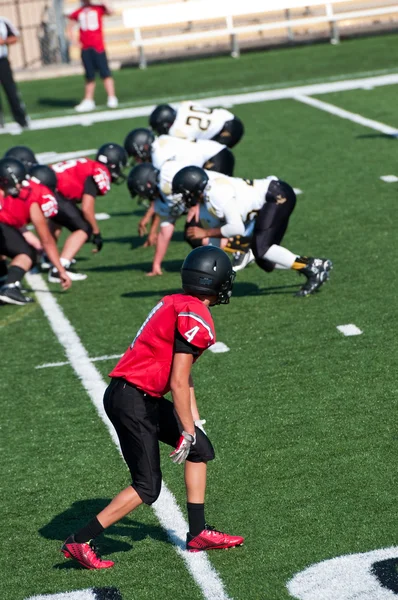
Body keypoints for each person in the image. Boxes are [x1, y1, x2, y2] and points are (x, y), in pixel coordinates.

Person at [61, 246, 243, 569]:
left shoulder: (177, 302)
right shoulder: (196, 314)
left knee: (200, 449)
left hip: (135, 395)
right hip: (134, 399)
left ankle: (198, 532)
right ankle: (80, 540)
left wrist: (194, 424)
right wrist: (185, 429)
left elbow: (184, 380)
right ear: (214, 281)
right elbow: (177, 380)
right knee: (148, 486)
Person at [172, 166, 333, 297]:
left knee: (263, 250)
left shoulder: (215, 194)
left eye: (184, 194)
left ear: (193, 189)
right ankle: (313, 266)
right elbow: (215, 245)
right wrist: (209, 277)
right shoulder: (206, 203)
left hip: (276, 195)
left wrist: (205, 233)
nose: (183, 199)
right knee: (263, 259)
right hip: (269, 201)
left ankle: (313, 266)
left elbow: (236, 228)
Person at [128, 161, 223, 276]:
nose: (143, 197)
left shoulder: (167, 175)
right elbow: (164, 232)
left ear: (148, 184)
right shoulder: (160, 203)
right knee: (192, 235)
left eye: (141, 192)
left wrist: (196, 204)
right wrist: (156, 265)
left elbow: (195, 176)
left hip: (215, 195)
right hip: (203, 205)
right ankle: (225, 251)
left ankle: (237, 243)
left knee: (209, 229)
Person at [49, 143, 127, 282]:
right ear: (114, 163)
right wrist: (96, 232)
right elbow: (87, 208)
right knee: (84, 228)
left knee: (57, 218)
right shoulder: (97, 171)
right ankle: (59, 268)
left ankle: (47, 257)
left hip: (50, 186)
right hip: (52, 191)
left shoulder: (88, 165)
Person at [0, 158, 71, 305]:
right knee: (26, 253)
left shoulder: (17, 195)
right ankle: (10, 287)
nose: (20, 186)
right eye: (18, 182)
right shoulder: (33, 196)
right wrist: (60, 270)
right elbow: (47, 240)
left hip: (5, 227)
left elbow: (17, 224)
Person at [66, 0, 118, 112]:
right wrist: (75, 41)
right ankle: (89, 100)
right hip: (85, 47)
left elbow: (111, 11)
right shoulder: (79, 12)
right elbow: (69, 27)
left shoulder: (98, 8)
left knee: (105, 73)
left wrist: (104, 2)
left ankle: (112, 97)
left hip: (98, 46)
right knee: (89, 75)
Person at [124, 127, 235, 175]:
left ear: (145, 147)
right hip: (218, 153)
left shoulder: (158, 157)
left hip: (214, 159)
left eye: (136, 156)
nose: (138, 161)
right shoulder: (162, 139)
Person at [149, 102, 244, 148]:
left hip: (226, 131)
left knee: (212, 159)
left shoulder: (178, 131)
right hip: (229, 117)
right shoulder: (184, 105)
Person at [0, 18, 29, 129]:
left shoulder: (3, 22)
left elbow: (15, 37)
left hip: (2, 61)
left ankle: (21, 119)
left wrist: (4, 41)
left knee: (11, 91)